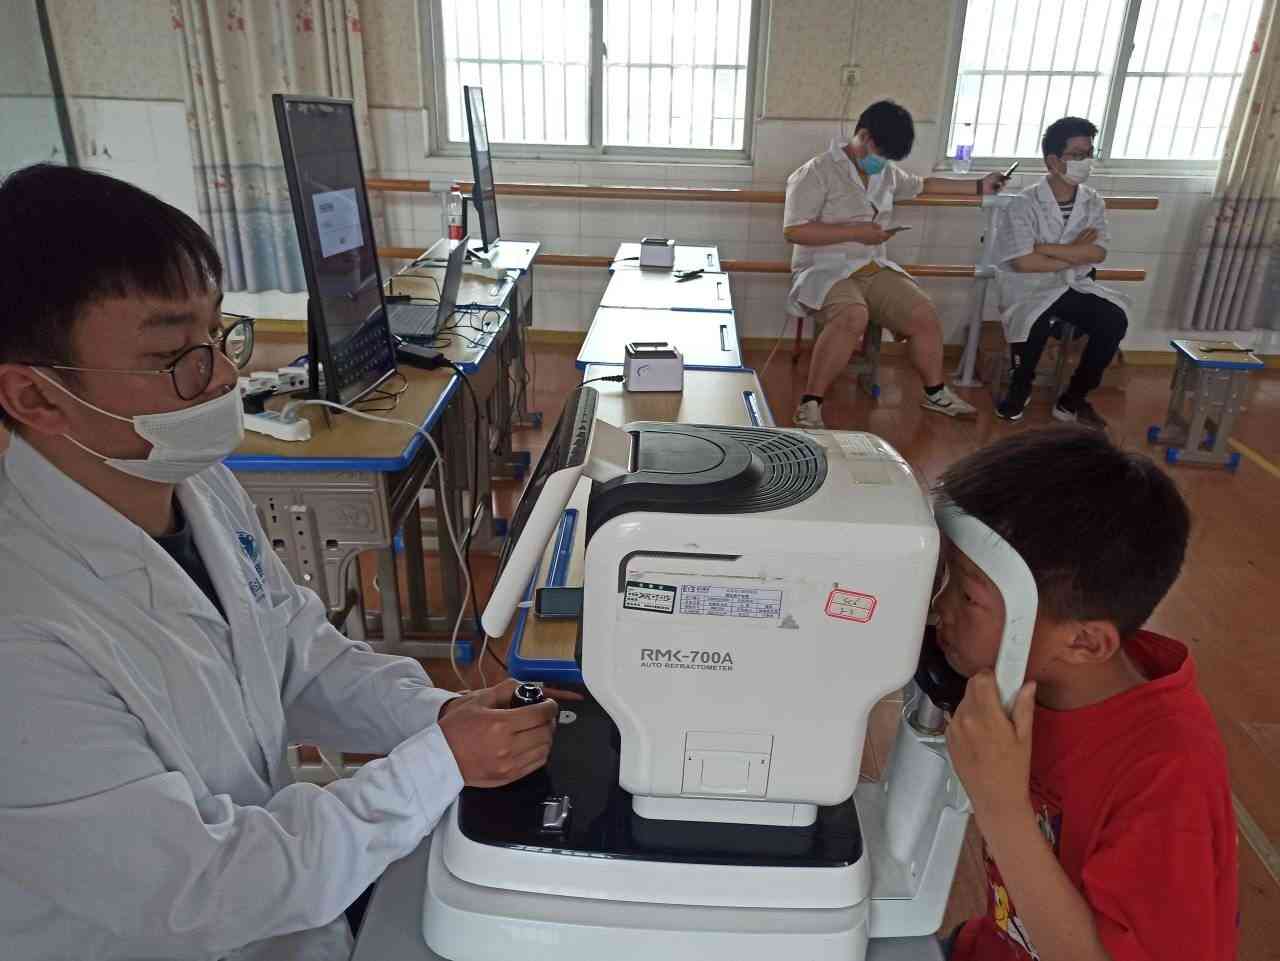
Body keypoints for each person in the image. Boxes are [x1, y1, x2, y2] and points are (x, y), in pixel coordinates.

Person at [0, 164, 560, 960]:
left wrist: (436, 716)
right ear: (36, 397)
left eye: (217, 335)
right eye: (174, 355)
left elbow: (298, 653)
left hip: (280, 902)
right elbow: (201, 888)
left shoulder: (195, 486)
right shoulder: (22, 637)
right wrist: (437, 763)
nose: (225, 375)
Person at [932, 428, 1237, 961]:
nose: (940, 609)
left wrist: (1001, 807)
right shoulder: (1030, 674)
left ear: (1084, 642)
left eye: (966, 595)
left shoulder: (1169, 776)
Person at [783, 100, 1007, 428]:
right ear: (863, 136)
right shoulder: (816, 172)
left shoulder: (885, 173)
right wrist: (856, 232)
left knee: (923, 312)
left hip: (871, 265)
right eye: (881, 153)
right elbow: (794, 230)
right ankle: (810, 403)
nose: (882, 161)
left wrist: (978, 186)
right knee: (852, 314)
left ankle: (935, 392)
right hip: (823, 268)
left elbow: (924, 185)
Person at [991, 118, 1130, 428]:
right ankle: (1020, 387)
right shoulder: (1024, 204)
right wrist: (1074, 252)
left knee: (1114, 320)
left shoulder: (1092, 201)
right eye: (1078, 155)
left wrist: (1045, 249)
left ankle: (1073, 399)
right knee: (1035, 321)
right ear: (1053, 161)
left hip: (1072, 285)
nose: (1086, 161)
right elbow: (1024, 263)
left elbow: (1098, 253)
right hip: (1028, 285)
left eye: (1089, 153)